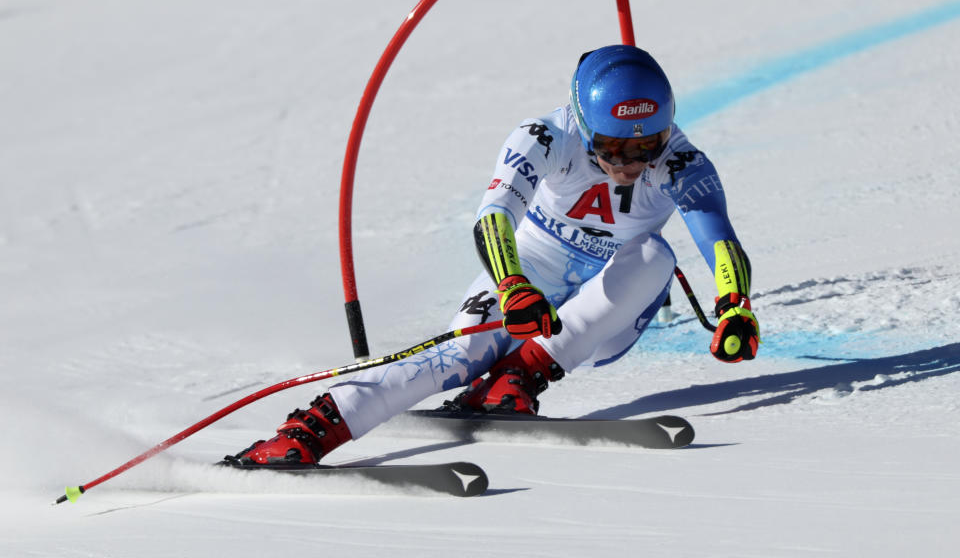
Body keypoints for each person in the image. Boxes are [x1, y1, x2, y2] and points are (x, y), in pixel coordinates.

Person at [222, 45, 760, 467]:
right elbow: (494, 215)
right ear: (582, 121)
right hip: (530, 271)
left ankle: (519, 376)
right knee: (460, 357)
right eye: (615, 148)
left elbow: (719, 237)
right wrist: (513, 285)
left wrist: (735, 304)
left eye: (648, 145)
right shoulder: (545, 136)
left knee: (653, 255)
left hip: (609, 311)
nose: (632, 162)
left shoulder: (682, 160)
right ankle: (308, 431)